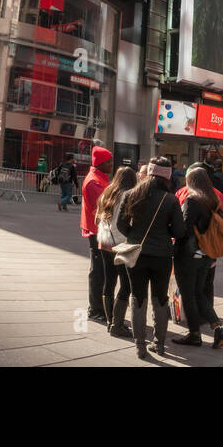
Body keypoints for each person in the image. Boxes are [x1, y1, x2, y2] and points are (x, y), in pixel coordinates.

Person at [117, 157, 185, 360]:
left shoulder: (131, 194)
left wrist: (134, 234)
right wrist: (166, 231)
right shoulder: (170, 199)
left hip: (136, 253)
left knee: (137, 298)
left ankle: (140, 346)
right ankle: (159, 343)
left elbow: (121, 225)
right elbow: (180, 231)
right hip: (162, 255)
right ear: (167, 176)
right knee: (160, 298)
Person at [171, 165, 223, 349]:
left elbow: (184, 229)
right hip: (206, 254)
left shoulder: (192, 200)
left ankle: (194, 334)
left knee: (188, 294)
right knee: (199, 293)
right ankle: (218, 327)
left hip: (188, 255)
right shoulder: (213, 199)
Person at [95, 166, 137, 338]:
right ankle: (116, 323)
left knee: (109, 281)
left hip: (105, 243)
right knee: (126, 284)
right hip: (122, 244)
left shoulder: (107, 192)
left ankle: (109, 319)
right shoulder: (129, 196)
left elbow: (97, 217)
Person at [80, 146, 114, 325]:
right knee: (98, 271)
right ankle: (95, 309)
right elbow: (106, 205)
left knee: (101, 270)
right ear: (100, 163)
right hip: (97, 230)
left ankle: (100, 306)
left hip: (100, 229)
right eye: (108, 161)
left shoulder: (99, 178)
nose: (111, 164)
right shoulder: (94, 181)